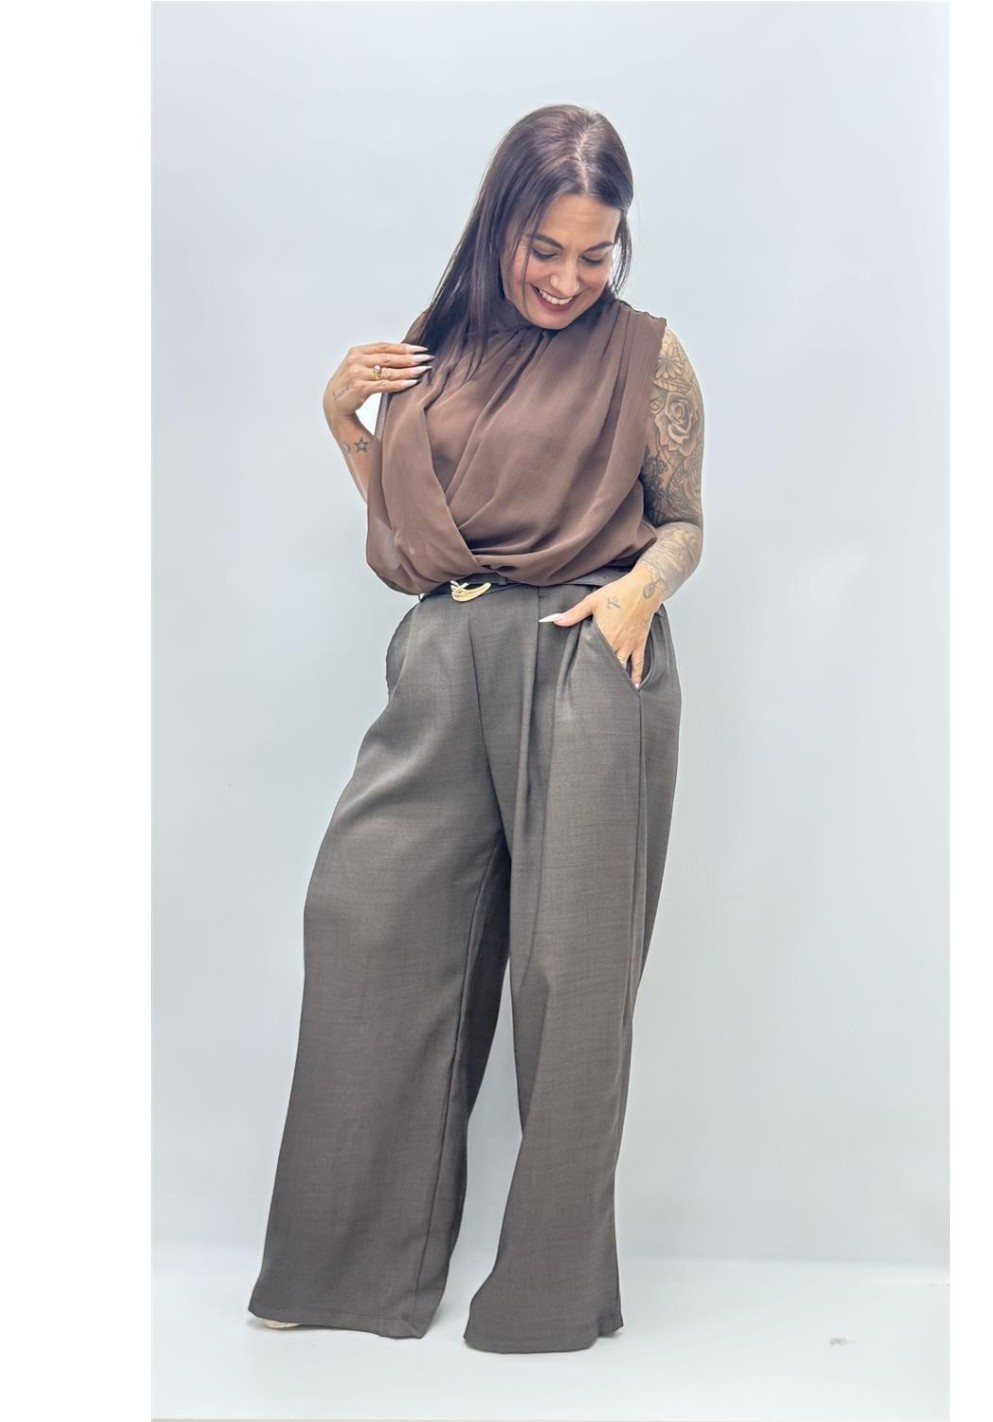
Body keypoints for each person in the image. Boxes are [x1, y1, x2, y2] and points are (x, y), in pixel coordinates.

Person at [246, 103, 705, 1354]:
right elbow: (409, 541)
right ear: (498, 225)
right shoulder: (432, 352)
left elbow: (683, 520)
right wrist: (344, 425)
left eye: (595, 254)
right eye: (542, 249)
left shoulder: (646, 356)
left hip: (586, 648)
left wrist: (638, 593)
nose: (566, 278)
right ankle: (347, 1274)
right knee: (365, 919)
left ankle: (547, 1299)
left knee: (570, 973)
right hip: (444, 650)